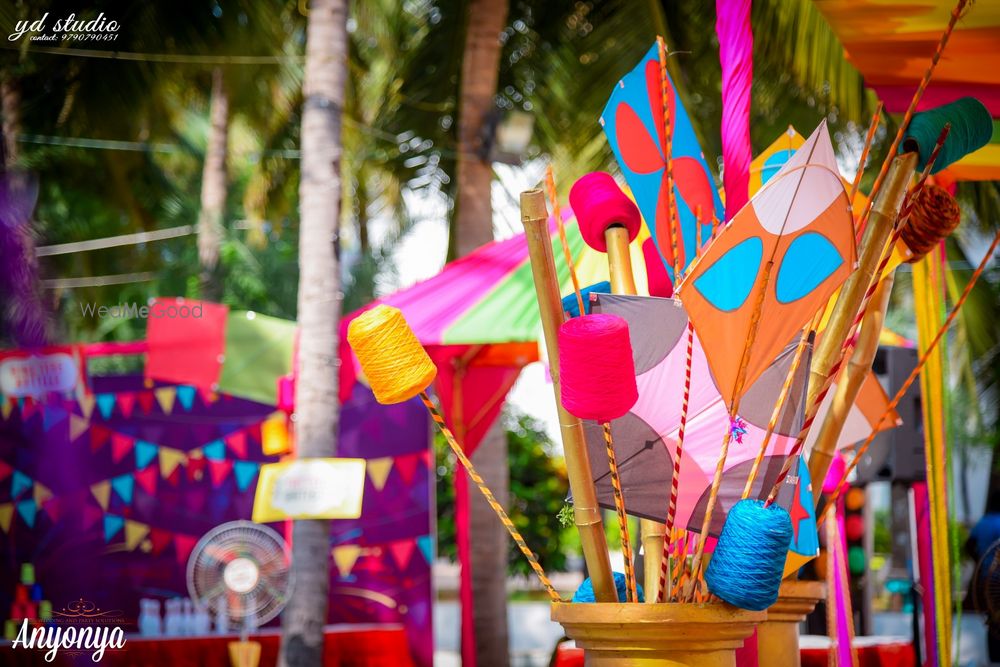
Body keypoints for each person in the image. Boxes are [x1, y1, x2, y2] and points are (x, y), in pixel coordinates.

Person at [966, 491, 1000, 663]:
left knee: (992, 621)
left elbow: (968, 545)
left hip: (984, 581)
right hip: (997, 581)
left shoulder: (982, 523)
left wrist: (980, 560)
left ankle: (992, 659)